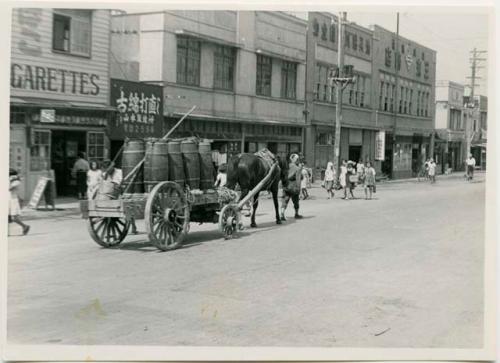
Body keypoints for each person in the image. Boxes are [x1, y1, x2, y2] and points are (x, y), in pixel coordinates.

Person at [101, 160, 138, 234]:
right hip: (110, 194)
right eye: (105, 169)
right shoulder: (105, 173)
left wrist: (117, 185)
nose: (108, 171)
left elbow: (121, 182)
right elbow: (104, 183)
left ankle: (133, 226)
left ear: (112, 167)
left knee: (128, 208)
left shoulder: (120, 172)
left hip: (122, 192)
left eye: (108, 168)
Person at [280, 153, 303, 221]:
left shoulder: (287, 166)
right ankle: (296, 214)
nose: (298, 160)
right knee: (296, 201)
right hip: (294, 187)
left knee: (285, 200)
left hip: (286, 186)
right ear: (295, 160)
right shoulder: (297, 168)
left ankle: (282, 213)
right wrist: (299, 189)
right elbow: (299, 178)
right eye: (297, 159)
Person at [9, 169, 30, 235]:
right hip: (8, 199)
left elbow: (9, 188)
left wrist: (10, 180)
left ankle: (25, 226)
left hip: (13, 200)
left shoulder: (16, 182)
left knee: (13, 218)